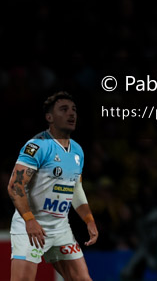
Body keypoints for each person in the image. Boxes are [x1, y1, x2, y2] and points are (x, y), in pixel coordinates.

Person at [7, 92, 98, 281]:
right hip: (31, 228)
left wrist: (89, 219)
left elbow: (76, 189)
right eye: (63, 110)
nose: (71, 114)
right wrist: (29, 220)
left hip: (61, 229)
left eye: (73, 110)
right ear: (49, 117)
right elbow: (15, 186)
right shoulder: (38, 145)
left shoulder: (77, 150)